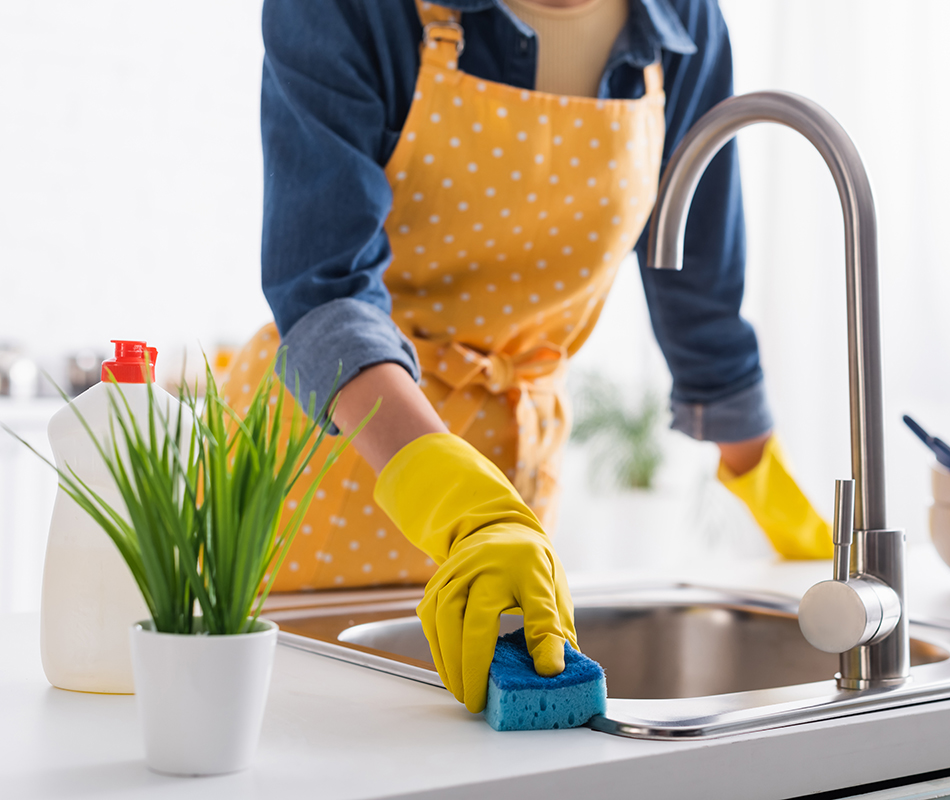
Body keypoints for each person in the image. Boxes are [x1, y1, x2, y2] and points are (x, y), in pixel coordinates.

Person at [226, 0, 833, 714]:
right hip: (321, 481)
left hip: (510, 501)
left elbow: (696, 288)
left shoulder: (684, 23)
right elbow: (325, 286)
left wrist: (774, 499)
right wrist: (458, 501)